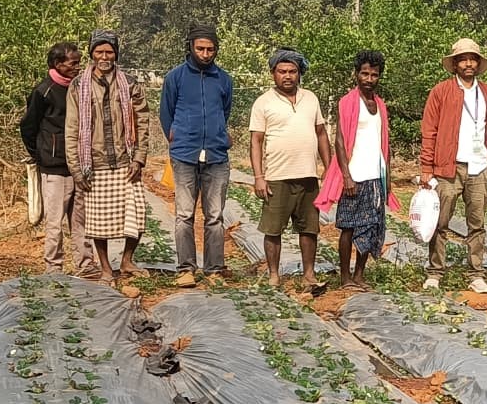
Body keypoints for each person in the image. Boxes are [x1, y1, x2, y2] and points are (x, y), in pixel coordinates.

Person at [64, 30, 151, 287]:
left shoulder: (130, 83)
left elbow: (142, 121)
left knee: (137, 215)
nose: (104, 56)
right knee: (98, 222)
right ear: (91, 53)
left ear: (116, 54)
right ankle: (105, 268)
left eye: (109, 52)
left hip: (126, 161)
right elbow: (72, 128)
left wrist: (139, 158)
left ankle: (127, 260)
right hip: (95, 164)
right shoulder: (79, 85)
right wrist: (76, 169)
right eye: (99, 51)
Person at [419, 38, 487, 293]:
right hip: (447, 167)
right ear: (455, 64)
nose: (468, 63)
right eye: (463, 59)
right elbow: (429, 131)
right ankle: (435, 271)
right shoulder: (441, 92)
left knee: (476, 223)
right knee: (439, 222)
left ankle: (476, 273)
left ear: (478, 64)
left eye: (473, 59)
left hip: (478, 167)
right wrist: (426, 167)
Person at [315, 50, 401, 289]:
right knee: (349, 227)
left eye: (374, 74)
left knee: (372, 225)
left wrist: (388, 179)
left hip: (376, 176)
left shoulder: (380, 105)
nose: (369, 79)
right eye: (364, 73)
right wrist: (346, 176)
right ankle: (345, 278)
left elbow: (385, 143)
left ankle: (359, 275)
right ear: (356, 74)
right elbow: (340, 141)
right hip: (355, 175)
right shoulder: (348, 102)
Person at [248, 49, 332, 290]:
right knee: (273, 228)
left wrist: (329, 167)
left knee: (309, 228)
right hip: (277, 176)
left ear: (299, 73)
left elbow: (321, 134)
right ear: (273, 73)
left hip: (308, 176)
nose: (288, 76)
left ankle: (309, 275)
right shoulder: (263, 102)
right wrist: (259, 177)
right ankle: (274, 275)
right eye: (282, 71)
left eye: (292, 71)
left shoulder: (311, 99)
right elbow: (256, 141)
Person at [159, 22, 234, 287]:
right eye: (200, 48)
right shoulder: (175, 77)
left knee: (214, 216)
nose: (205, 54)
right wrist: (177, 136)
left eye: (210, 49)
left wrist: (217, 134)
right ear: (190, 47)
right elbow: (166, 114)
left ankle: (214, 270)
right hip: (184, 155)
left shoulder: (223, 79)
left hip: (216, 155)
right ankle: (185, 269)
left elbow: (224, 111)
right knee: (184, 215)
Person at [20, 41, 98, 277]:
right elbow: (28, 127)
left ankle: (86, 265)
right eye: (72, 63)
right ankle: (53, 267)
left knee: (81, 220)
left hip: (80, 165)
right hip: (54, 167)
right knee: (54, 221)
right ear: (57, 64)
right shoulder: (43, 91)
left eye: (78, 63)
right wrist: (42, 154)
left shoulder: (80, 88)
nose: (77, 67)